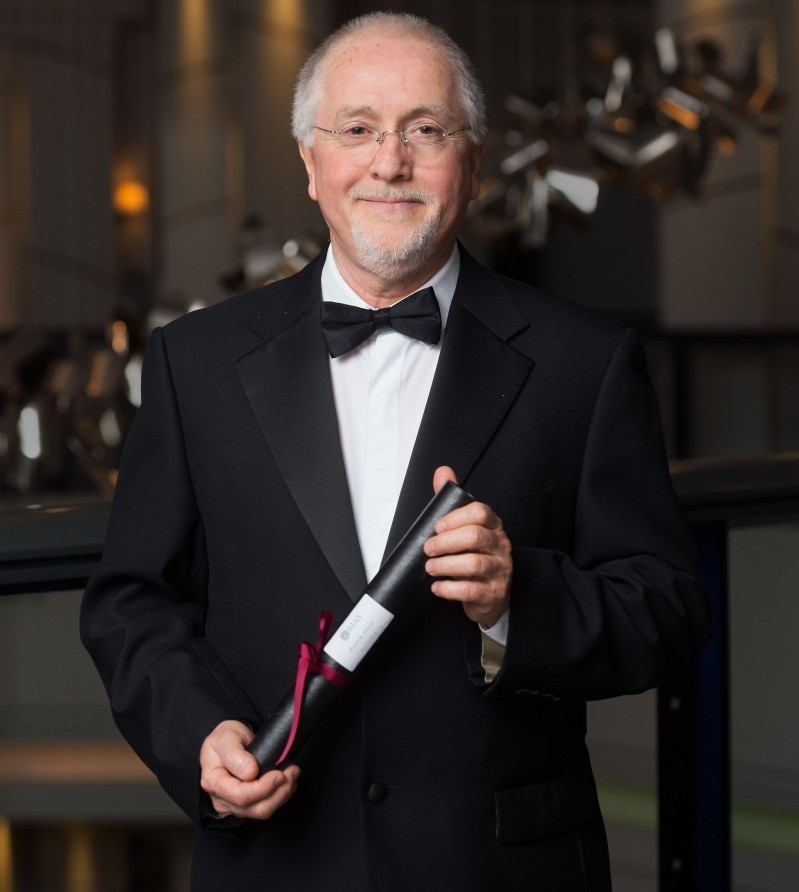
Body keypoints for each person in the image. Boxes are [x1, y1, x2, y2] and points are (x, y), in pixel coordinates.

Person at [80, 12, 712, 891]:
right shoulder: (195, 362)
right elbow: (132, 603)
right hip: (277, 862)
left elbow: (667, 611)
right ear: (309, 162)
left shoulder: (587, 362)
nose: (390, 162)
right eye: (357, 130)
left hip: (502, 868)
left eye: (425, 130)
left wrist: (516, 596)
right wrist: (200, 733)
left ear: (474, 163)